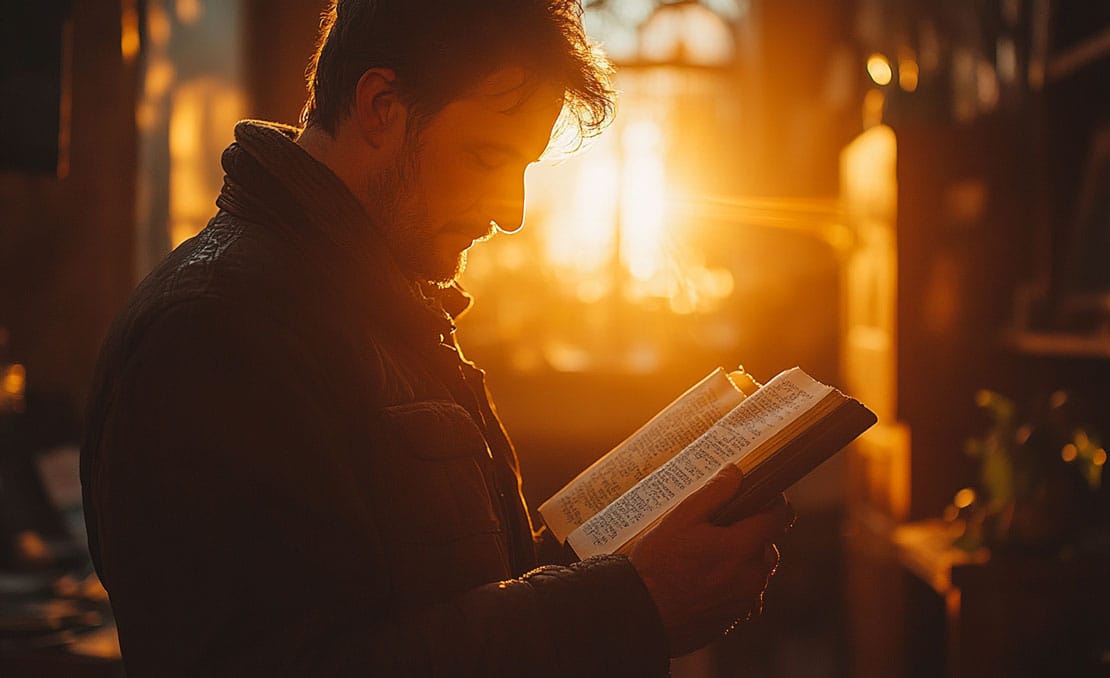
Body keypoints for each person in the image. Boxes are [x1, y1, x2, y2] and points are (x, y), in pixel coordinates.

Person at [80, 0, 792, 674]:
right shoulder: (217, 332)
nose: (512, 212)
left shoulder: (375, 304)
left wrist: (632, 569)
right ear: (382, 107)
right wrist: (628, 604)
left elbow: (444, 593)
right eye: (487, 156)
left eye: (524, 168)